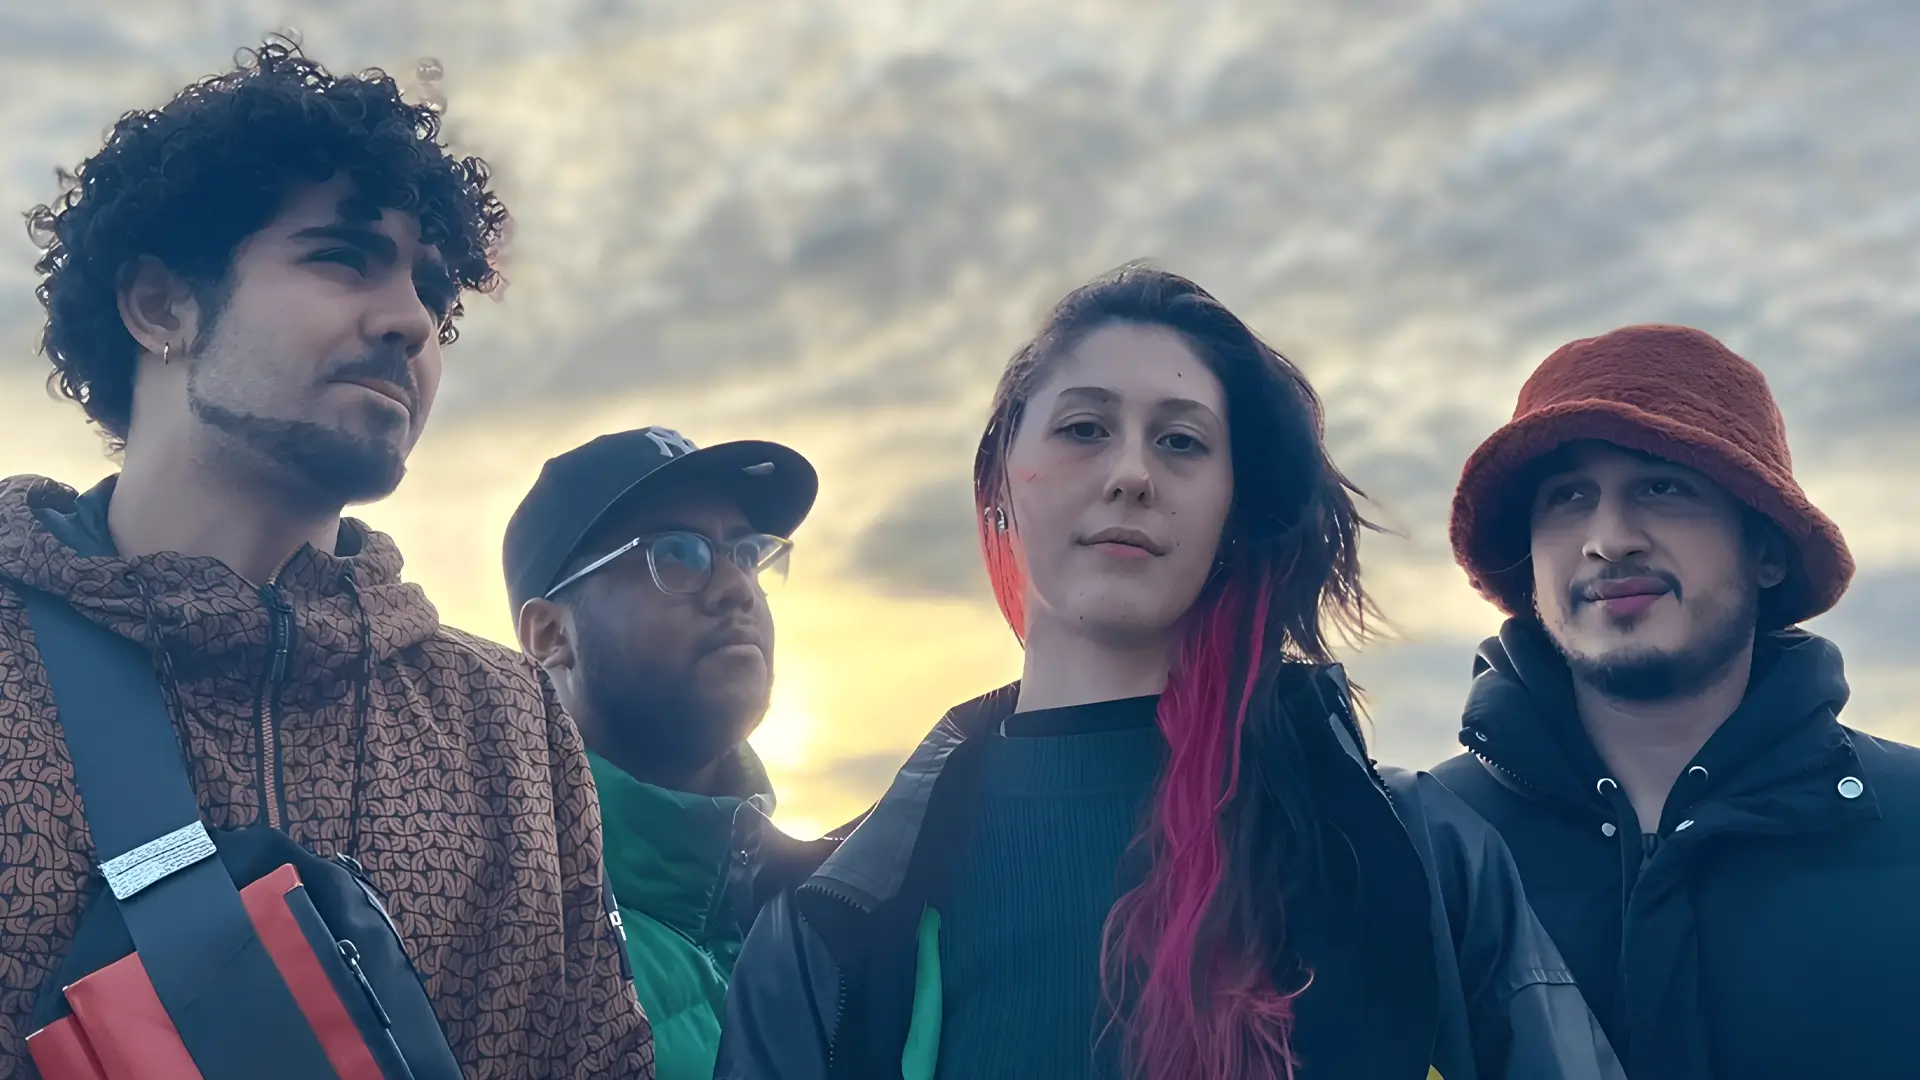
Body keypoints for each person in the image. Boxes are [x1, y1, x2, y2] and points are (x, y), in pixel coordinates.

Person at [715, 264, 1623, 1080]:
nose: (1131, 474)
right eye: (1083, 428)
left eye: (1181, 442)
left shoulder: (1413, 853)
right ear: (1001, 481)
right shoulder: (828, 924)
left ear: (1234, 507)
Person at [0, 40, 650, 1077]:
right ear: (160, 306)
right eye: (343, 257)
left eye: (431, 292)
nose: (411, 322)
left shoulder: (511, 723)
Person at [1431, 325, 1920, 1080]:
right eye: (1568, 497)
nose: (1610, 540)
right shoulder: (1424, 849)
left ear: (1765, 549)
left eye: (1663, 486)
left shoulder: (1908, 822)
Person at [504, 426, 850, 1080]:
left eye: (747, 554)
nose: (737, 587)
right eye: (677, 554)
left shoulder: (841, 914)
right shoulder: (506, 942)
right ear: (550, 634)